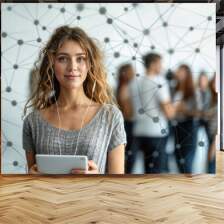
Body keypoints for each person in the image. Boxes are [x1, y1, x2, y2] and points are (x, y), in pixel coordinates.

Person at [22, 25, 126, 174]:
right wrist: (30, 179)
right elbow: (30, 182)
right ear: (52, 62)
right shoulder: (32, 122)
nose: (72, 67)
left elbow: (118, 185)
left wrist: (98, 180)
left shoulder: (111, 116)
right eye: (63, 59)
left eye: (80, 59)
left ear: (90, 64)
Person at [129, 52, 174, 173]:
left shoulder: (134, 82)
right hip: (156, 132)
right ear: (153, 64)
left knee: (145, 169)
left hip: (139, 131)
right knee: (156, 172)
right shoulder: (159, 82)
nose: (162, 67)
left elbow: (128, 110)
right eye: (160, 63)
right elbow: (169, 113)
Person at [172, 64, 199, 174]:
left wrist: (183, 110)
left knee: (186, 162)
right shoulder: (175, 89)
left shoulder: (193, 91)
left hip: (189, 128)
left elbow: (198, 112)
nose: (178, 73)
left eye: (181, 71)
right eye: (178, 71)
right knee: (178, 160)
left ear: (187, 74)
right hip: (176, 127)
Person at [115, 63, 136, 173]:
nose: (134, 73)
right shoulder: (125, 88)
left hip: (127, 124)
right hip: (128, 124)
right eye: (131, 71)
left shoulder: (122, 87)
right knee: (129, 155)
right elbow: (128, 113)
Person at [203, 76, 217, 173]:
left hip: (215, 137)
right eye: (214, 81)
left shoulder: (222, 99)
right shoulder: (212, 98)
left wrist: (214, 144)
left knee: (212, 162)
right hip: (209, 133)